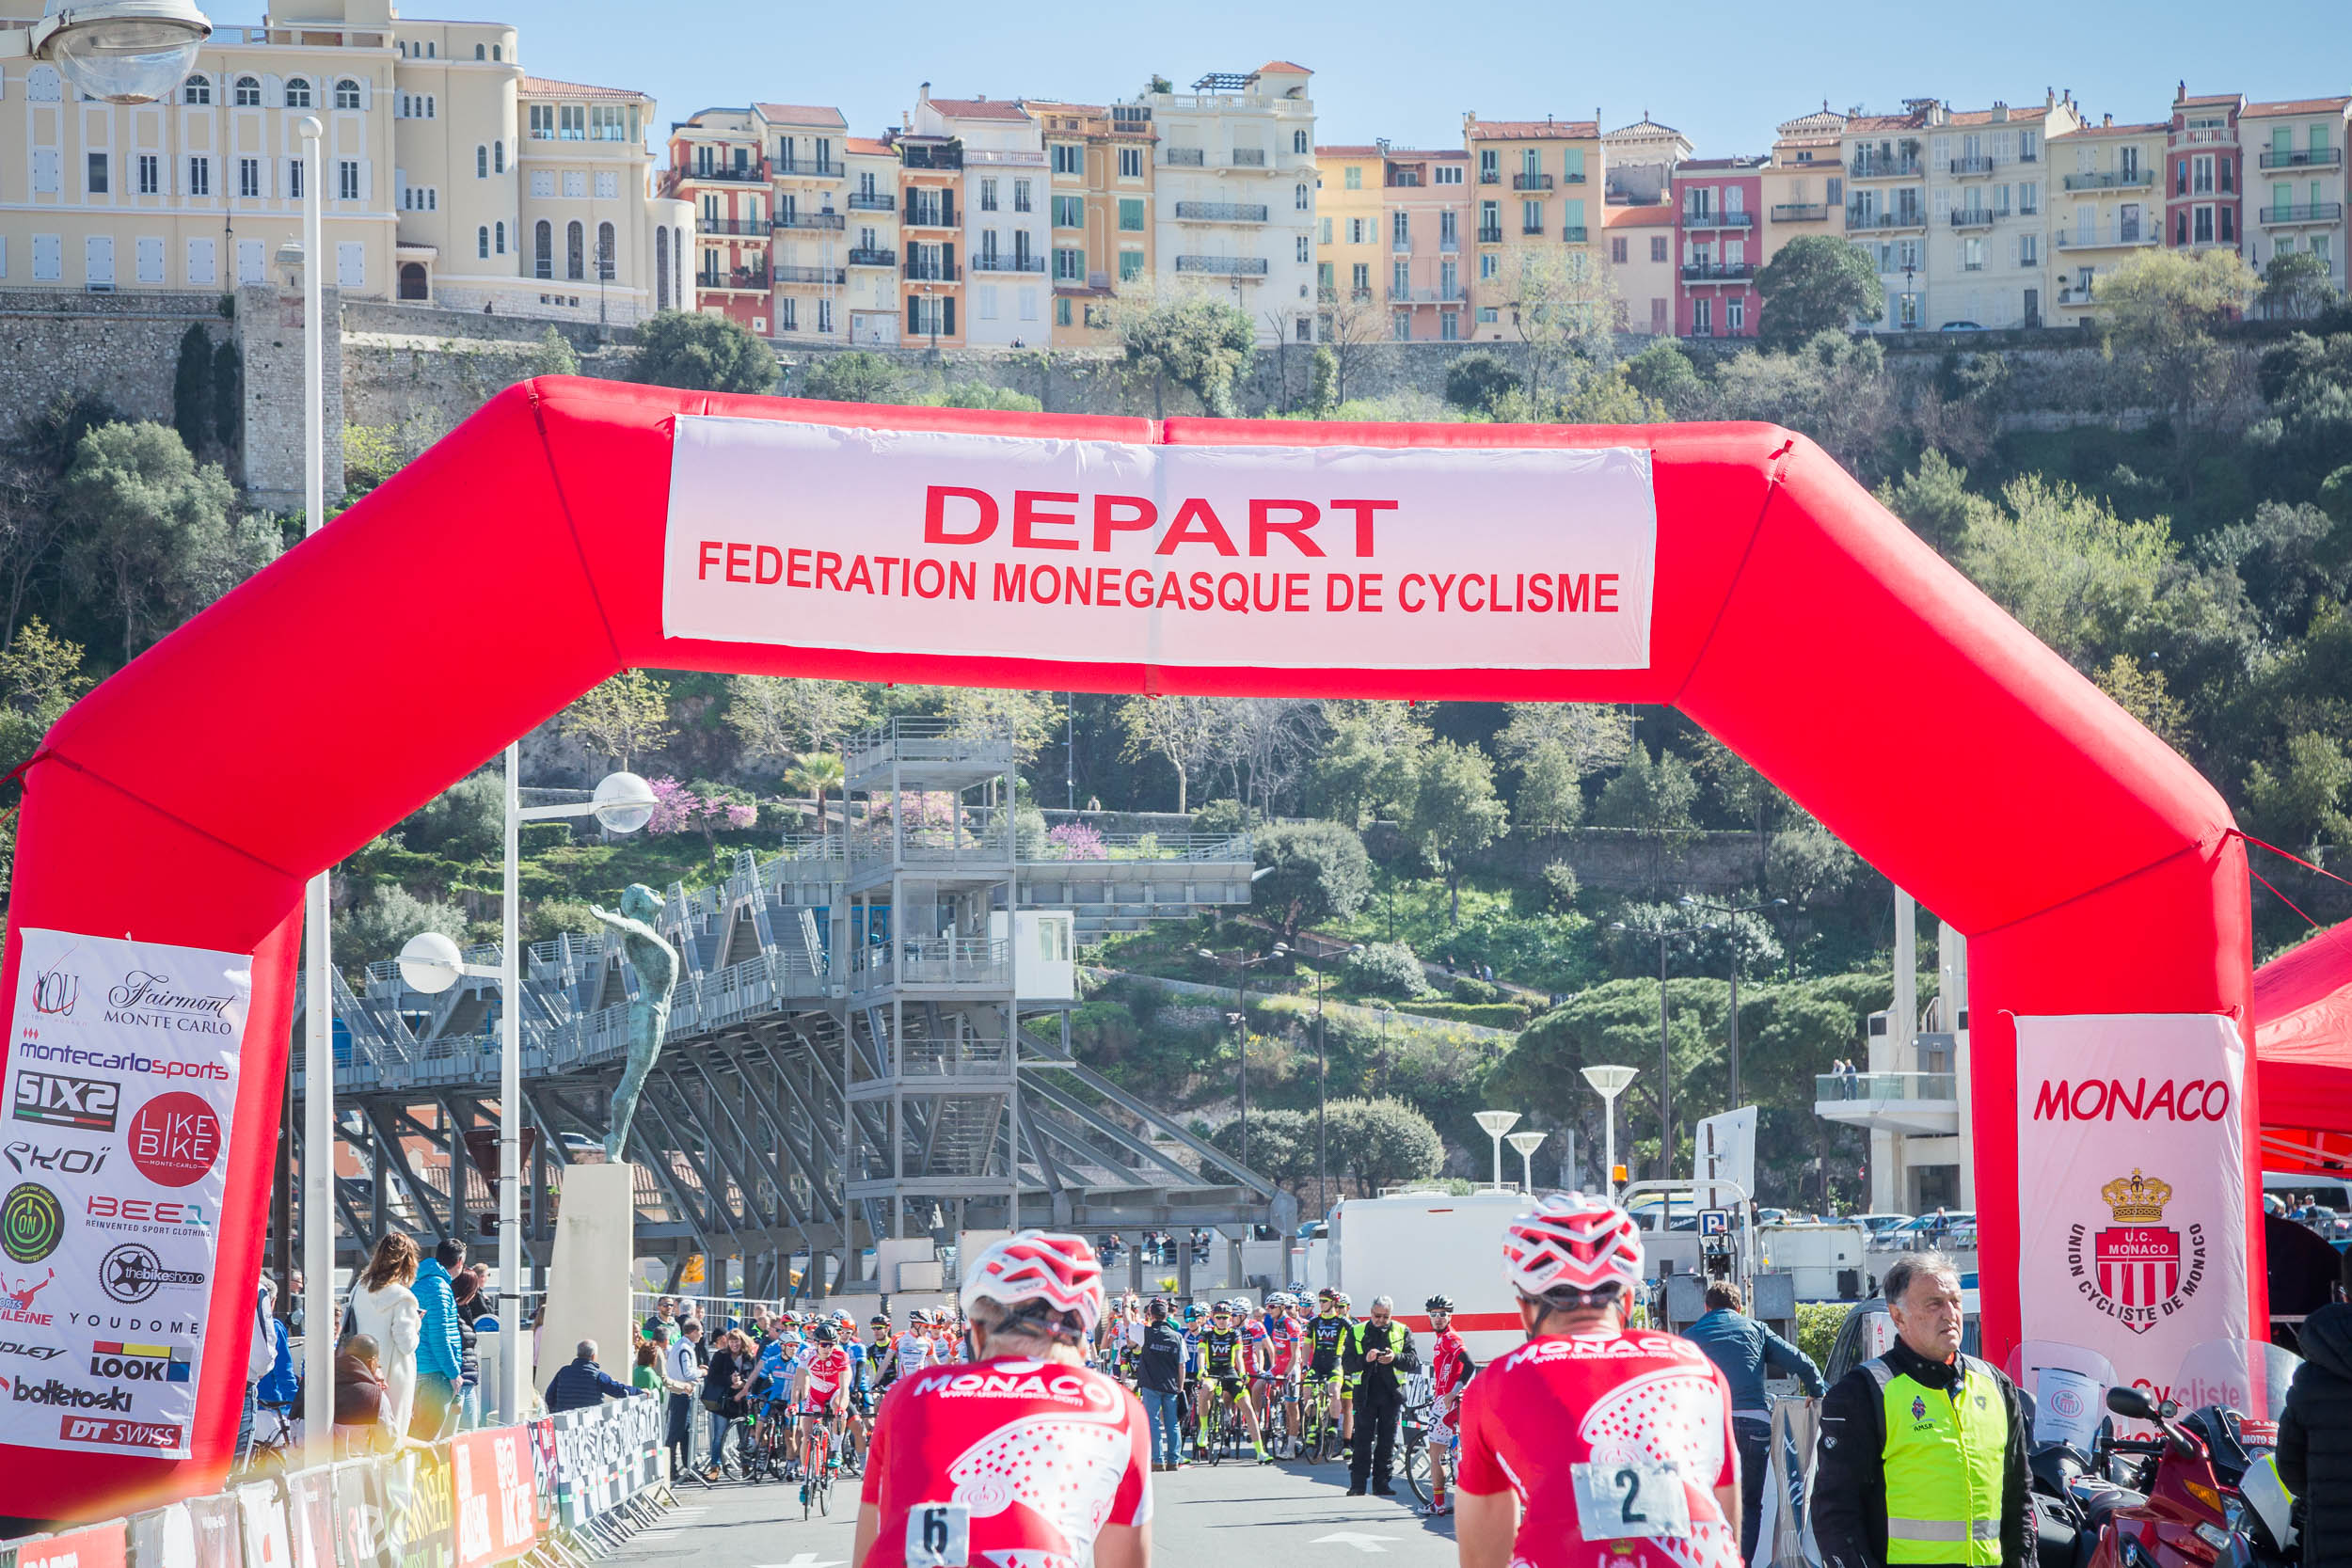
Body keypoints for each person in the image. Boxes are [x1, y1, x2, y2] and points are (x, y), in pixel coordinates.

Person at [1455, 1193, 1741, 1568]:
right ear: (1628, 1299)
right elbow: (1726, 1523)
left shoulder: (1495, 1381)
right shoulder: (1697, 1366)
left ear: (1525, 1310)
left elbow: (1482, 1557)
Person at [850, 1232, 1151, 1568]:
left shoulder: (910, 1393)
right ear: (1081, 1343)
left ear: (976, 1333)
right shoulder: (1117, 1406)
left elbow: (868, 1545)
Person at [1811, 1252, 2029, 1568]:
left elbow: (2018, 1499)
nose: (1950, 1314)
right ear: (1897, 1317)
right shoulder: (1864, 1392)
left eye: (1955, 1301)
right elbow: (1835, 1513)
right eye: (1934, 1304)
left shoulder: (1996, 1386)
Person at [1684, 1279, 1825, 1562]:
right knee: (1749, 1504)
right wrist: (1817, 1391)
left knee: (1704, 1502)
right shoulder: (1756, 1329)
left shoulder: (1690, 1336)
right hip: (1753, 1424)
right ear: (1739, 1308)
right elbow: (1801, 1362)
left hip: (1709, 1426)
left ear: (1706, 1307)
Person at [2279, 1299, 2352, 1568]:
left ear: (2344, 1294)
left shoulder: (2309, 1380)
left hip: (2329, 1545)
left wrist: (2320, 1495)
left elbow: (2289, 1465)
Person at [1342, 1294, 1418, 1497]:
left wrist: (1395, 1358)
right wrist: (1365, 1359)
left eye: (1386, 1317)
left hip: (1391, 1394)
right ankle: (1357, 1484)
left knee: (1386, 1441)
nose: (1381, 1321)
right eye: (1377, 1316)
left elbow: (1413, 1361)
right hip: (1365, 1394)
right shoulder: (1357, 1331)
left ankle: (1382, 1483)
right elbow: (1346, 1363)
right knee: (1362, 1441)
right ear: (1371, 1313)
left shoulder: (1402, 1330)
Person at [349, 1234, 424, 1440]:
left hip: (362, 1370)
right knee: (392, 1434)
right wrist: (417, 1323)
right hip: (393, 1376)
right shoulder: (404, 1298)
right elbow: (407, 1344)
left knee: (364, 1434)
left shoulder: (360, 1289)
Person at [1422, 1293, 1474, 1517]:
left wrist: (1453, 1393)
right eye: (1434, 1315)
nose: (1438, 1318)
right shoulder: (1440, 1339)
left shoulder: (1450, 1338)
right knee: (1455, 1454)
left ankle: (1439, 1503)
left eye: (1443, 1314)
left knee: (1436, 1455)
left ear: (1450, 1315)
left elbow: (1470, 1365)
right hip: (1448, 1401)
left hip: (1447, 1403)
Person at [410, 1239, 466, 1440]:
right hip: (435, 1374)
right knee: (428, 1440)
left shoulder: (420, 1282)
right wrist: (453, 1372)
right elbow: (439, 1335)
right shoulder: (439, 1287)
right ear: (459, 1262)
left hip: (419, 1369)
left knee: (418, 1437)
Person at [1137, 1297, 1188, 1472]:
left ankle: (1157, 1460)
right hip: (1171, 1386)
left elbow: (1128, 1322)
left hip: (1151, 1385)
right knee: (1172, 1423)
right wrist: (1180, 1387)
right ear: (1167, 1315)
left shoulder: (1144, 1333)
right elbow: (1182, 1365)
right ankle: (1174, 1460)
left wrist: (1127, 1303)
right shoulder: (1178, 1337)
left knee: (1153, 1422)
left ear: (1150, 1315)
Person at [332, 1334, 396, 1457]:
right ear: (372, 1362)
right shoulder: (374, 1396)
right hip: (351, 1471)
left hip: (301, 1469)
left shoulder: (314, 1386)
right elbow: (388, 1443)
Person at [703, 1327, 752, 1477]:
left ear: (742, 1341)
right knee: (719, 1435)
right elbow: (712, 1377)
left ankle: (746, 1465)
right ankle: (714, 1467)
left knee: (744, 1435)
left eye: (737, 1341)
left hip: (741, 1401)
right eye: (731, 1341)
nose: (734, 1344)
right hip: (723, 1401)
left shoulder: (748, 1357)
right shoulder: (720, 1355)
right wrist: (729, 1381)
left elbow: (752, 1375)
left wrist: (743, 1383)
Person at [547, 1338, 640, 1413]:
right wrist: (639, 1392)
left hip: (562, 1425)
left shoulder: (563, 1372)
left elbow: (549, 1395)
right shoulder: (597, 1376)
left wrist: (555, 1411)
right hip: (588, 1424)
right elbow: (620, 1390)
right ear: (593, 1356)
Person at [665, 1319, 706, 1474]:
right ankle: (671, 1468)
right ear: (693, 1331)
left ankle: (689, 1466)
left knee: (685, 1433)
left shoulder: (683, 1346)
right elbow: (687, 1373)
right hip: (681, 1394)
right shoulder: (685, 1348)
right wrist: (702, 1372)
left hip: (681, 1393)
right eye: (700, 1331)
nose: (702, 1335)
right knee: (676, 1432)